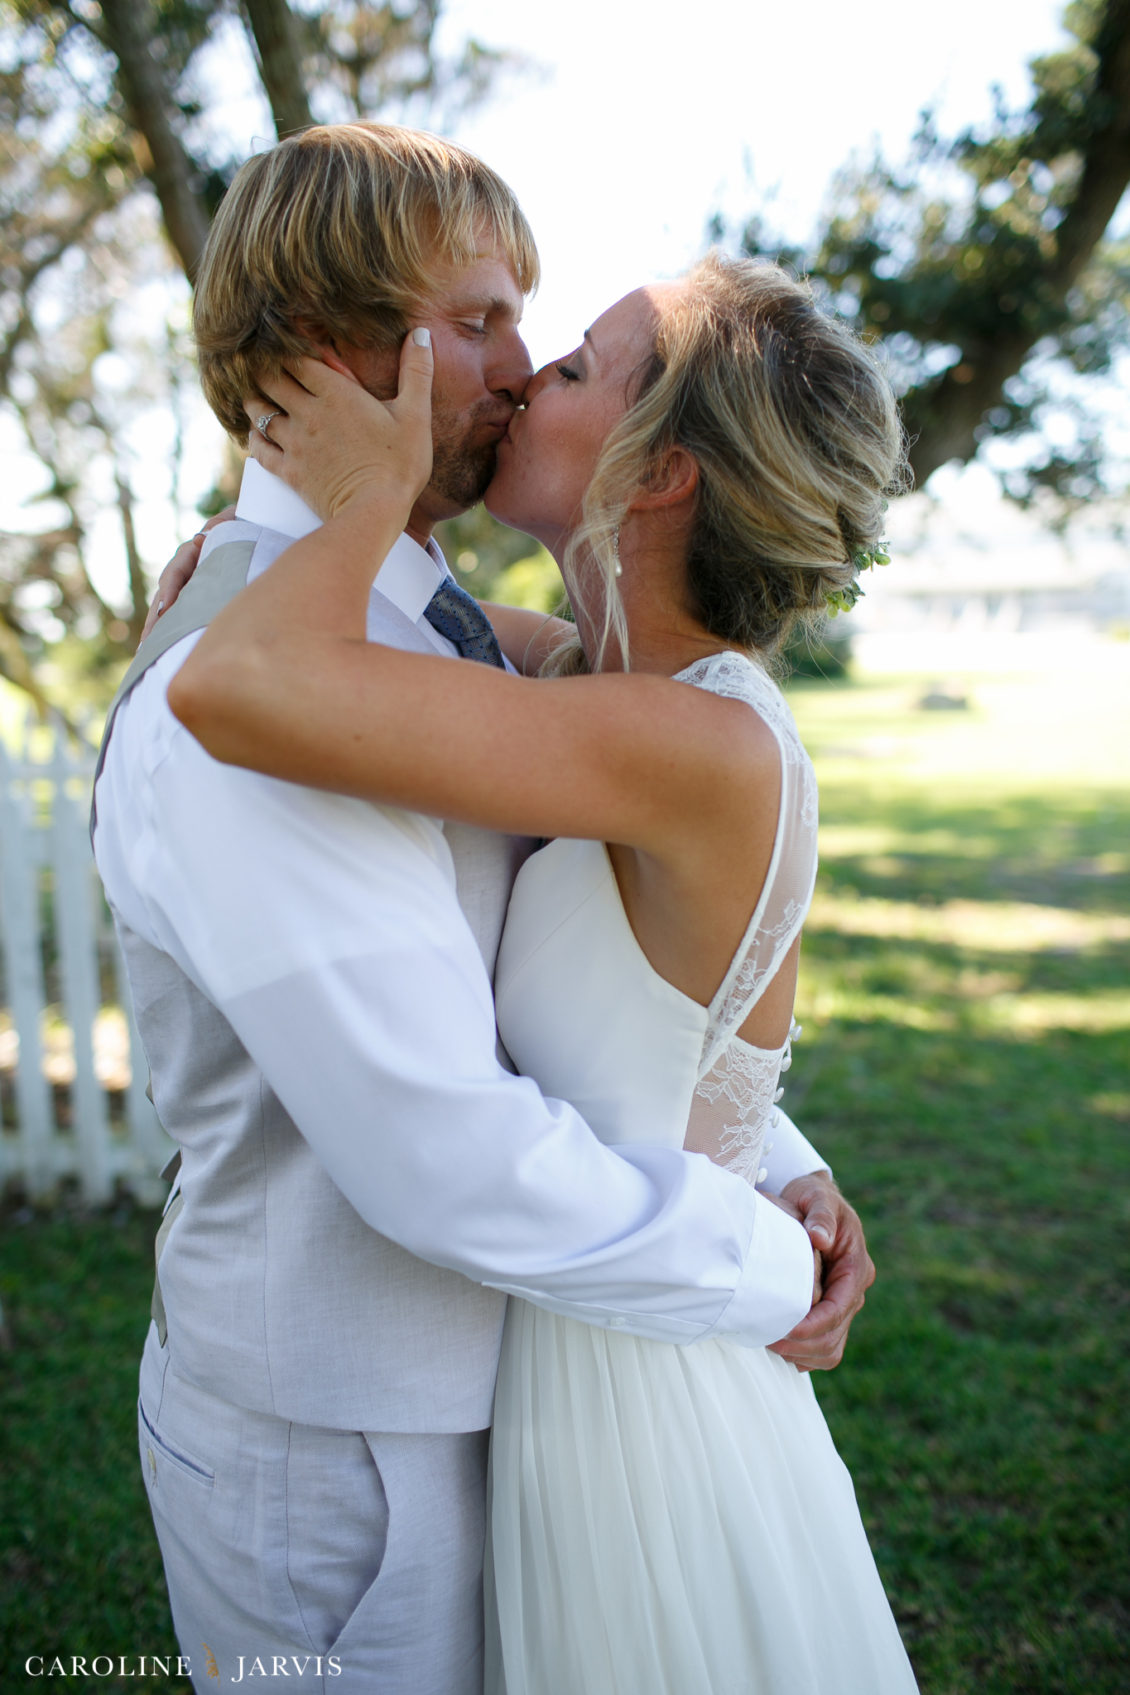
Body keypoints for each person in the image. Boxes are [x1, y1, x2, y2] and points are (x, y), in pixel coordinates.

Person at [92, 124, 873, 1695]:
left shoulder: (440, 646)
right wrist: (759, 1254)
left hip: (532, 1388)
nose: (520, 371)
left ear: (663, 471)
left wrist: (758, 1147)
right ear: (327, 357)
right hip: (344, 1458)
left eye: (551, 341)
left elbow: (618, 986)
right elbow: (445, 1153)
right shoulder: (262, 679)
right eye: (477, 324)